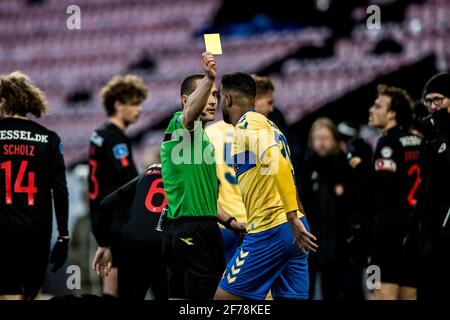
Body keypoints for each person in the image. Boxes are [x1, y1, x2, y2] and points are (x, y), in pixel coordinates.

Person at [215, 72, 318, 300]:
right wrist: (296, 217)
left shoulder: (246, 125)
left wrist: (291, 216)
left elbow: (277, 163)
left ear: (228, 99)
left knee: (223, 300)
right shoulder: (272, 127)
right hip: (294, 228)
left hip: (270, 226)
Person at [160, 52, 245, 300]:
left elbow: (204, 200)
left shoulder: (203, 140)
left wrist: (231, 222)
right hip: (195, 233)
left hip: (183, 231)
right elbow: (188, 115)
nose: (212, 100)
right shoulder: (180, 125)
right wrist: (209, 78)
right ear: (185, 99)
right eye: (206, 94)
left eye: (215, 95)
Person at [0, 71, 69, 300]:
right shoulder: (49, 138)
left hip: (3, 228)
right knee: (32, 295)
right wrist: (63, 236)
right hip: (37, 231)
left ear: (4, 101)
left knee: (8, 293)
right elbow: (60, 190)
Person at [349, 84, 421, 300]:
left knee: (379, 294)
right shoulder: (418, 141)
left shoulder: (387, 141)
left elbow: (382, 185)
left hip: (387, 233)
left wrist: (358, 164)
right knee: (409, 294)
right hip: (414, 231)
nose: (371, 109)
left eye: (378, 105)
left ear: (392, 114)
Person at [88, 75, 148, 297]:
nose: (139, 109)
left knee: (112, 282)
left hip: (101, 215)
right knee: (117, 285)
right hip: (115, 220)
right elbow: (130, 178)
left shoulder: (99, 134)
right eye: (134, 103)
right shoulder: (116, 139)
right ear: (118, 105)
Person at [300, 118, 365, 300]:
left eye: (325, 137)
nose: (321, 142)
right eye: (317, 137)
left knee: (335, 291)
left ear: (335, 140)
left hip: (339, 244)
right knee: (305, 291)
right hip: (309, 241)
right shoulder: (304, 168)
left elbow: (356, 202)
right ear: (311, 141)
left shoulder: (345, 167)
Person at [92, 164, 168, 300]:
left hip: (132, 241)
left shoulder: (147, 173)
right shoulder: (187, 175)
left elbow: (105, 205)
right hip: (163, 244)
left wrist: (104, 244)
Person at [413, 73, 450, 301]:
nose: (432, 107)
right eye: (428, 101)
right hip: (431, 230)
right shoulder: (431, 137)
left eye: (438, 99)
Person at [205, 121, 247, 264]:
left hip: (222, 220)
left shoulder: (210, 132)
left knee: (220, 282)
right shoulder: (256, 131)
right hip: (252, 222)